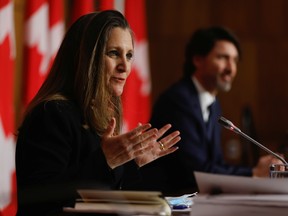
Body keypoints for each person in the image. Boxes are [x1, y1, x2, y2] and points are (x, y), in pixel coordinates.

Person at [15, 10, 181, 216]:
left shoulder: (95, 113)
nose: (125, 66)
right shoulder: (51, 114)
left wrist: (130, 162)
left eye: (129, 55)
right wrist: (107, 161)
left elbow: (104, 194)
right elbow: (40, 201)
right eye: (113, 53)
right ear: (85, 58)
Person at [138, 26, 283, 195]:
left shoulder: (213, 104)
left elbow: (216, 163)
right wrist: (252, 173)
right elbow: (197, 171)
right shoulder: (178, 100)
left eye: (235, 60)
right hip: (167, 202)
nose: (231, 68)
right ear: (198, 60)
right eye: (223, 58)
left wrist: (254, 172)